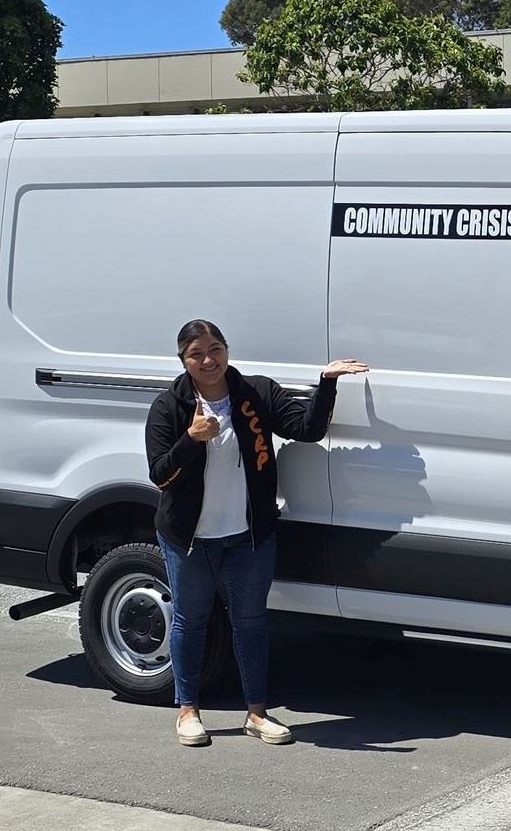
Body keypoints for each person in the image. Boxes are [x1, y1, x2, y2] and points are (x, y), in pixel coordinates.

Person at [145, 319, 368, 747]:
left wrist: (326, 383)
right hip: (190, 539)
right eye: (196, 354)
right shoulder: (169, 408)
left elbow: (308, 429)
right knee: (191, 621)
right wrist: (192, 439)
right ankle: (188, 710)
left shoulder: (255, 393)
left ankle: (257, 713)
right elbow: (160, 475)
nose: (208, 360)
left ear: (227, 350)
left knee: (250, 623)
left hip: (248, 535)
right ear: (183, 361)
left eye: (215, 349)